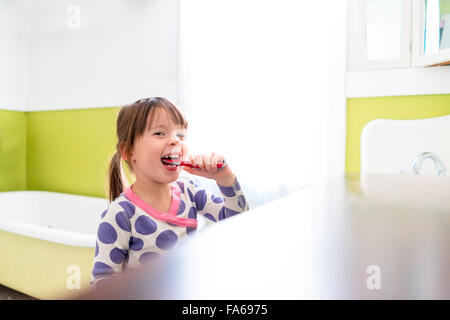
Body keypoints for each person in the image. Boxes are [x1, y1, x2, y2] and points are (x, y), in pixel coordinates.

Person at [90, 97, 249, 286]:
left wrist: (224, 178)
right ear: (129, 152)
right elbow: (102, 284)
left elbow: (240, 222)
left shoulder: (190, 192)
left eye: (181, 135)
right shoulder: (120, 215)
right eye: (159, 133)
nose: (175, 141)